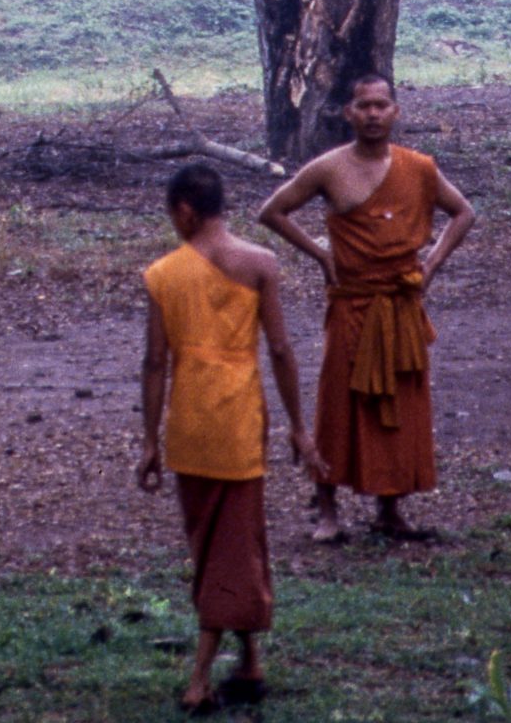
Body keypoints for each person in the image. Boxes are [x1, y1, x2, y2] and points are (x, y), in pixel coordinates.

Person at [140, 160, 325, 715]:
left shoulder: (163, 274)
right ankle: (217, 670)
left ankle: (227, 670)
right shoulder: (261, 263)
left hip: (189, 423)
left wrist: (149, 441)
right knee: (237, 542)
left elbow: (154, 364)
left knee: (215, 543)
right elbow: (282, 351)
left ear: (184, 212)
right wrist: (300, 426)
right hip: (241, 418)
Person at [257, 73, 475, 544]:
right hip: (353, 303)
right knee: (339, 402)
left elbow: (464, 212)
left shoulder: (418, 168)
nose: (373, 114)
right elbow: (271, 211)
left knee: (399, 401)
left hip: (400, 303)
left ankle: (390, 508)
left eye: (382, 105)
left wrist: (432, 264)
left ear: (396, 111)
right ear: (348, 113)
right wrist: (320, 254)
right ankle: (328, 512)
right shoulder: (328, 168)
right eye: (364, 106)